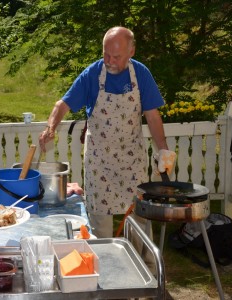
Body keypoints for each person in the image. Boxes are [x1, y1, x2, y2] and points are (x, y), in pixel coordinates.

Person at [39, 26, 176, 238]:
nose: (110, 61)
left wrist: (164, 151)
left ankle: (141, 265)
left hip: (132, 160)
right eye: (106, 54)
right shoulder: (92, 74)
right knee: (100, 225)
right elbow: (62, 105)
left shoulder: (140, 74)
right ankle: (103, 267)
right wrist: (51, 127)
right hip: (99, 162)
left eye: (116, 56)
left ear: (131, 52)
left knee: (138, 221)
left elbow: (152, 115)